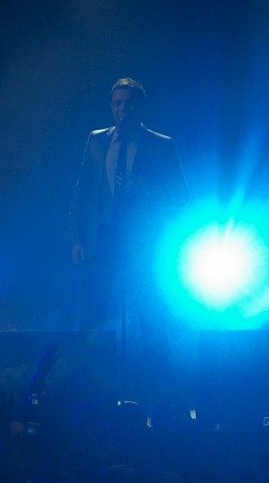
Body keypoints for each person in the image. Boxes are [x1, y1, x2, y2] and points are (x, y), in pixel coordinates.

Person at [68, 77, 188, 345]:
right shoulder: (97, 140)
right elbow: (82, 192)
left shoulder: (161, 144)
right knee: (92, 313)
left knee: (150, 313)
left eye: (129, 103)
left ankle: (156, 369)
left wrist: (148, 189)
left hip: (141, 242)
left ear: (140, 106)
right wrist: (77, 238)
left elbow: (182, 195)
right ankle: (90, 367)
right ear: (111, 106)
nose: (122, 109)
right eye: (117, 103)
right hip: (102, 239)